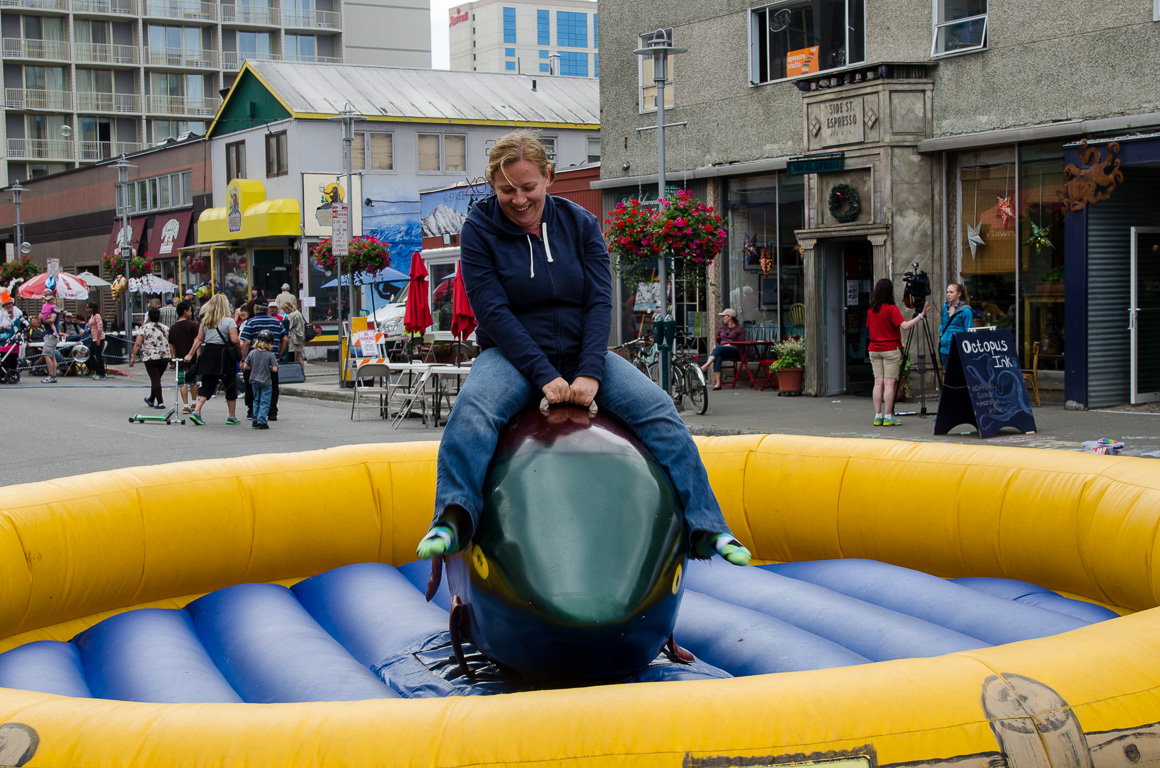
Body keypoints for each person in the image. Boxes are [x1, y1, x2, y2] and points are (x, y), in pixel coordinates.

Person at [415, 130, 750, 567]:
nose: (518, 199)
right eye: (506, 190)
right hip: (512, 354)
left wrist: (590, 370)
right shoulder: (479, 229)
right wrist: (544, 375)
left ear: (548, 177)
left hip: (582, 351)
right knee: (474, 409)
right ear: (493, 185)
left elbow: (598, 300)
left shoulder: (581, 223)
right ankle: (454, 516)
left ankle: (707, 527)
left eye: (528, 187)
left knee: (659, 410)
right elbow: (492, 311)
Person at [866, 279, 927, 427]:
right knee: (889, 383)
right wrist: (920, 316)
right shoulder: (891, 309)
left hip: (874, 349)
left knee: (878, 383)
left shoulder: (871, 310)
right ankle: (888, 416)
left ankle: (877, 415)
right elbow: (905, 326)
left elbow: (870, 328)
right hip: (890, 349)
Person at [183, 293, 242, 426]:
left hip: (208, 354)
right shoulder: (229, 321)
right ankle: (231, 416)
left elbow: (199, 339)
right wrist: (240, 346)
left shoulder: (206, 321)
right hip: (224, 356)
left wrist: (190, 354)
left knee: (208, 384)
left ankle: (197, 411)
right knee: (230, 385)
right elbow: (233, 339)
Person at [239, 301, 287, 421]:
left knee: (252, 388)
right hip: (272, 361)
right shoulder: (276, 321)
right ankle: (272, 412)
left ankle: (252, 412)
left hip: (254, 363)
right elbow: (285, 339)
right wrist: (279, 354)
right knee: (273, 387)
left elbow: (246, 342)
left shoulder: (250, 322)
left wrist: (243, 359)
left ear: (255, 308)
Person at [130, 306, 171, 409]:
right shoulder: (165, 328)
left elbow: (138, 344)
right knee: (156, 378)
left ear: (148, 316)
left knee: (155, 379)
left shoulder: (144, 328)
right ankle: (151, 399)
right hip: (164, 356)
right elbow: (170, 343)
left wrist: (133, 356)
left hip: (150, 356)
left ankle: (160, 402)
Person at [701, 308, 745, 390]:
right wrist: (720, 345)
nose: (722, 318)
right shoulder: (722, 327)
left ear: (729, 317)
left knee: (719, 348)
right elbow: (718, 339)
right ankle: (718, 383)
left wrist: (730, 344)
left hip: (734, 349)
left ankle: (706, 365)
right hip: (722, 349)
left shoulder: (739, 329)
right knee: (718, 357)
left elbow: (741, 343)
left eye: (724, 316)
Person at [243, 330, 279, 429]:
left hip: (254, 380)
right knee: (265, 401)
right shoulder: (270, 355)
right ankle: (262, 420)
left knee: (256, 400)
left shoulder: (252, 353)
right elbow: (275, 369)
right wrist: (269, 367)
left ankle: (255, 419)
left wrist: (254, 367)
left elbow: (245, 366)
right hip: (266, 381)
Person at [168, 301, 200, 413]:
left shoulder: (173, 328)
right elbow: (197, 341)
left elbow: (171, 344)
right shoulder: (194, 326)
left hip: (179, 358)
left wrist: (173, 357)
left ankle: (185, 404)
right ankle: (194, 403)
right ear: (185, 311)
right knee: (193, 381)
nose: (191, 313)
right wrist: (198, 355)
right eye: (190, 310)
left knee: (182, 382)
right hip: (192, 358)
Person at [939, 283, 975, 370]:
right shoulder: (945, 308)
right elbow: (942, 325)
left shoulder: (966, 310)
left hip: (958, 349)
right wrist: (941, 337)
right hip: (944, 348)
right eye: (947, 292)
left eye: (951, 292)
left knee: (958, 377)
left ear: (959, 294)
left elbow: (969, 331)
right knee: (948, 377)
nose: (948, 294)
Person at [39, 291, 61, 383]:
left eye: (44, 298)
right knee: (51, 355)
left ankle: (51, 375)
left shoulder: (53, 308)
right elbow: (39, 317)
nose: (42, 301)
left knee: (46, 354)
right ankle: (53, 375)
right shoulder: (45, 307)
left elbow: (51, 319)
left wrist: (43, 320)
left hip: (52, 334)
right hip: (48, 333)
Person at [85, 301, 107, 380]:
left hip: (98, 338)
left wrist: (98, 339)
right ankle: (97, 370)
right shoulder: (92, 316)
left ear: (92, 308)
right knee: (89, 355)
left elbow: (99, 328)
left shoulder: (97, 316)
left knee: (98, 356)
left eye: (88, 307)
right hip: (93, 337)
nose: (87, 309)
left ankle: (101, 373)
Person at [282, 299, 306, 365]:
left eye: (285, 309)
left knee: (296, 355)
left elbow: (288, 326)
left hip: (295, 338)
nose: (284, 311)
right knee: (299, 355)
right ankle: (302, 371)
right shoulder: (298, 313)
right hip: (301, 336)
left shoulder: (292, 315)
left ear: (288, 308)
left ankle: (300, 370)